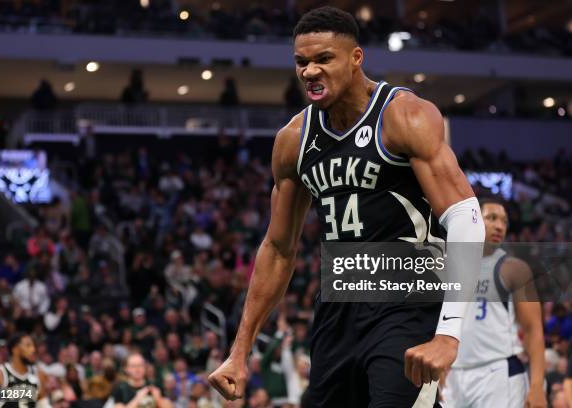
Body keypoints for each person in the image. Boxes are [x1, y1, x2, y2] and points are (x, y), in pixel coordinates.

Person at [208, 6, 485, 407]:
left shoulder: (404, 115)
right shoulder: (293, 139)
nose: (309, 71)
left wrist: (448, 333)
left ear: (356, 59)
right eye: (302, 62)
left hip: (406, 298)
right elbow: (278, 249)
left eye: (323, 59)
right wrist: (239, 351)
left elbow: (466, 218)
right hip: (339, 306)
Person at [441, 197, 547, 407]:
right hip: (454, 374)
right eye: (491, 218)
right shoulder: (447, 266)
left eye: (504, 221)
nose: (499, 226)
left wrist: (536, 386)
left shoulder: (514, 268)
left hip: (497, 372)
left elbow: (533, 329)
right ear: (474, 220)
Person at [0, 333, 47, 407]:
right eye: (28, 345)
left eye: (33, 346)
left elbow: (42, 404)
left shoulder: (39, 375)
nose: (33, 349)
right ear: (15, 349)